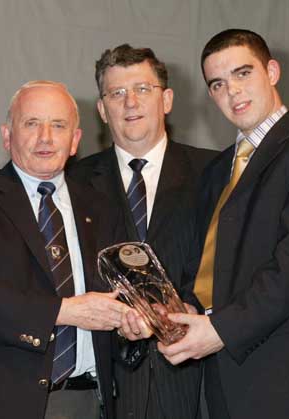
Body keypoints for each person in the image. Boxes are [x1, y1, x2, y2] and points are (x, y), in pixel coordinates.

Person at [127, 29, 289, 419]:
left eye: (242, 73)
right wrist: (174, 313)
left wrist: (218, 330)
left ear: (272, 71)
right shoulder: (217, 170)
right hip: (223, 389)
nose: (232, 91)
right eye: (218, 84)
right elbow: (210, 273)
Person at [0, 80, 128, 419]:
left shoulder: (103, 207)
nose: (46, 137)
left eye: (59, 125)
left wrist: (132, 321)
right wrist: (61, 311)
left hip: (86, 401)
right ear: (7, 136)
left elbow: (115, 295)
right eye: (32, 123)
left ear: (75, 141)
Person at [70, 44, 216, 419]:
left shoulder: (214, 173)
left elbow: (237, 266)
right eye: (116, 93)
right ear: (102, 110)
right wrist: (121, 320)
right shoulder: (73, 183)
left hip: (198, 383)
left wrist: (193, 309)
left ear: (166, 99)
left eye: (142, 89)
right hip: (111, 388)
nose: (130, 102)